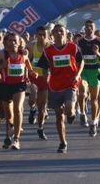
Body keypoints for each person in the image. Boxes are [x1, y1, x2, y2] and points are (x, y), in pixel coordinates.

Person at [37, 24, 84, 153]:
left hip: (70, 83)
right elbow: (44, 68)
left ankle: (72, 113)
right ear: (52, 34)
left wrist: (77, 74)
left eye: (61, 31)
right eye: (56, 31)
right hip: (55, 86)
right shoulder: (48, 51)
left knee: (68, 110)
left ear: (65, 33)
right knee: (59, 116)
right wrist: (46, 76)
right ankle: (63, 142)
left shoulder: (73, 47)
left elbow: (81, 62)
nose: (59, 33)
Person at [0, 32, 37, 150]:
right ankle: (12, 125)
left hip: (19, 86)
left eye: (15, 41)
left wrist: (31, 71)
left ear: (19, 43)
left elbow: (27, 63)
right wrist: (3, 66)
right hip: (5, 86)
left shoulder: (23, 54)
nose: (13, 43)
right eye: (10, 40)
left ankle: (16, 139)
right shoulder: (1, 55)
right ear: (5, 43)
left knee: (18, 109)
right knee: (8, 115)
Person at [77, 20, 100, 136]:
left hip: (95, 71)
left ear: (94, 28)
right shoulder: (79, 41)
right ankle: (82, 113)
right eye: (87, 26)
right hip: (83, 71)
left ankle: (94, 123)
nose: (88, 28)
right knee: (82, 93)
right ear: (84, 28)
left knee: (94, 99)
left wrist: (97, 53)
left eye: (91, 26)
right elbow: (76, 58)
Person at [26, 26, 51, 140]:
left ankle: (40, 128)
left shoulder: (51, 47)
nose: (42, 37)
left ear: (48, 35)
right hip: (34, 77)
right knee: (32, 97)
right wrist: (27, 74)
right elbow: (26, 61)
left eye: (44, 35)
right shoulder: (31, 46)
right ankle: (32, 109)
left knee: (42, 106)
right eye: (40, 35)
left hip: (45, 79)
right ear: (36, 34)